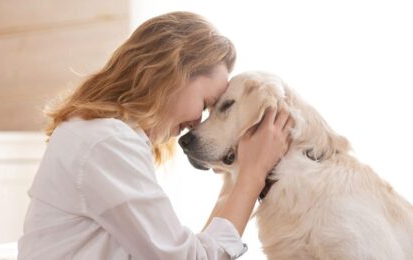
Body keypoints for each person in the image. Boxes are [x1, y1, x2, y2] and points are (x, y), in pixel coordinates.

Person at [18, 11, 293, 259]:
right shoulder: (107, 142)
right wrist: (253, 175)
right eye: (206, 103)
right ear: (172, 74)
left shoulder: (97, 132)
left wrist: (235, 179)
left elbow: (192, 250)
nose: (198, 121)